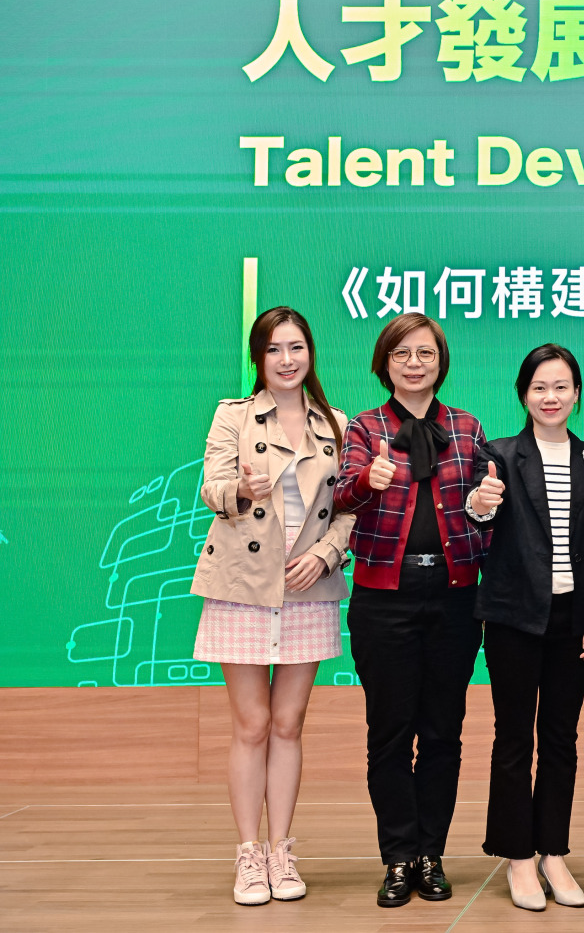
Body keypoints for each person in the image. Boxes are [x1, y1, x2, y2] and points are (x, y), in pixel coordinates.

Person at [193, 307, 353, 906]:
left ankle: (282, 851)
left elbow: (351, 508)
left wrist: (327, 555)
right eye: (274, 349)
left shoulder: (335, 423)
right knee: (252, 724)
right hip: (243, 583)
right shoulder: (233, 415)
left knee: (288, 723)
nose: (287, 360)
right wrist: (239, 489)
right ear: (258, 358)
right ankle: (248, 854)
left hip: (307, 586)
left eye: (297, 347)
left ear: (311, 353)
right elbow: (210, 486)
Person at [334, 313, 491, 909]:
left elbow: (483, 514)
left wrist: (485, 505)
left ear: (441, 361)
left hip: (455, 596)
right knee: (390, 733)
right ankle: (398, 856)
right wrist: (367, 482)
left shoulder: (467, 428)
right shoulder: (364, 426)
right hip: (384, 599)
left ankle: (431, 854)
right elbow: (339, 496)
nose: (414, 363)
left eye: (425, 352)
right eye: (402, 353)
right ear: (385, 362)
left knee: (444, 732)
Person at [466, 344, 584, 912]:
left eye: (560, 387)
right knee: (513, 737)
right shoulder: (499, 456)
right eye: (539, 387)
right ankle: (518, 856)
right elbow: (478, 518)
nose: (550, 397)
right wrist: (480, 502)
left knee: (561, 737)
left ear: (577, 393)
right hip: (513, 616)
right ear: (523, 395)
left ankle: (553, 851)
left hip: (574, 618)